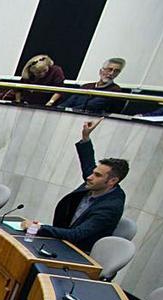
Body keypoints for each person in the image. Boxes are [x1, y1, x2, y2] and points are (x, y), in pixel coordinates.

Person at [36, 120, 128, 252]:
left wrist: (41, 228)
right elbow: (88, 164)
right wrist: (86, 137)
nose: (89, 177)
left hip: (79, 251)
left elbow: (76, 235)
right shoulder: (98, 183)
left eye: (97, 175)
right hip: (63, 242)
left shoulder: (110, 207)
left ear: (112, 181)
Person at [50, 58, 126, 114]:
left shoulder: (115, 90)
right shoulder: (86, 86)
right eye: (109, 69)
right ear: (101, 71)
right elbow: (69, 102)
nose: (111, 73)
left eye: (116, 71)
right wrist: (58, 110)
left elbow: (91, 106)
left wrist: (69, 111)